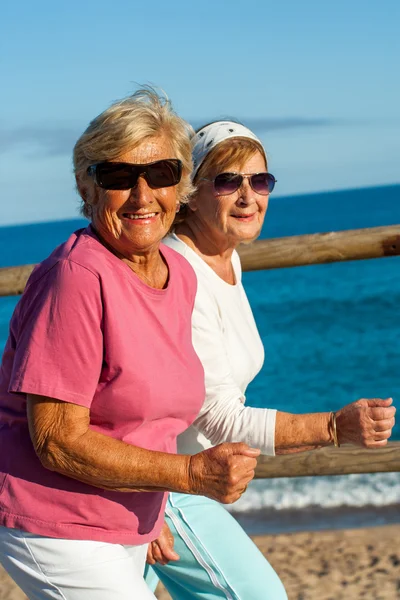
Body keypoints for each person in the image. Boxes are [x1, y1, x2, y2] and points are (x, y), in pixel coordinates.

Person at [0, 99, 261, 600]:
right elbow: (56, 439)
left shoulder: (178, 273)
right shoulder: (75, 277)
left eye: (161, 172)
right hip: (54, 519)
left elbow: (148, 415)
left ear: (181, 185)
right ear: (86, 186)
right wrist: (189, 474)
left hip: (123, 513)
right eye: (119, 175)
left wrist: (158, 502)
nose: (142, 195)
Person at [145, 120, 396, 599]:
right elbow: (218, 417)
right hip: (163, 479)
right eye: (227, 181)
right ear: (190, 194)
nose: (248, 196)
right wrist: (332, 429)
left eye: (259, 181)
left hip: (180, 475)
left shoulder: (225, 256)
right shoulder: (181, 274)